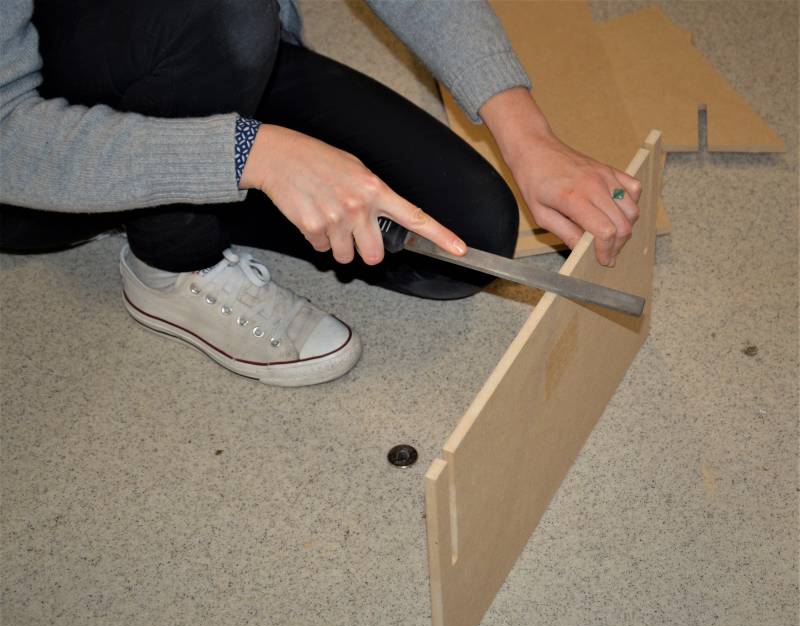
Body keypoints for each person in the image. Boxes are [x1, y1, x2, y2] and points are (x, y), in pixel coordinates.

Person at [0, 0, 641, 387]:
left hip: (216, 53)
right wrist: (253, 155)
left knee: (465, 235)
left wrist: (528, 137)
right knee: (228, 14)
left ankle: (161, 172)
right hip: (31, 143)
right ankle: (171, 261)